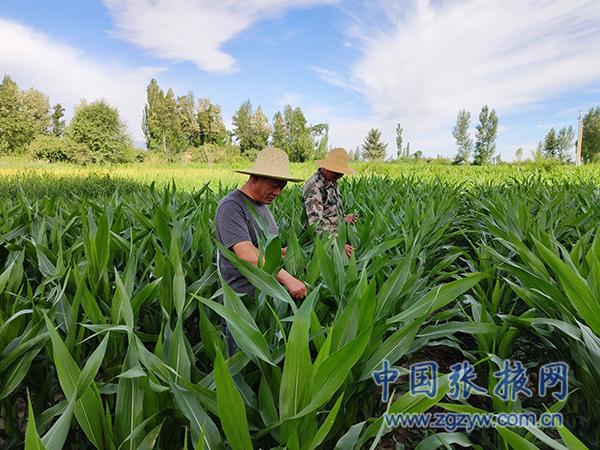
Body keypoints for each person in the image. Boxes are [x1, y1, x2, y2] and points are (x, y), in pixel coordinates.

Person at [215, 147, 307, 302]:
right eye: (274, 185)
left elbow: (261, 247)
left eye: (282, 187)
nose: (278, 192)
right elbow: (246, 254)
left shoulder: (261, 206)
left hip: (265, 298)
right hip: (241, 303)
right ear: (255, 178)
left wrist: (282, 252)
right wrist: (287, 278)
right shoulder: (232, 206)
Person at [302, 147, 357, 257]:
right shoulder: (314, 188)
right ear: (327, 168)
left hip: (337, 235)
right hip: (325, 243)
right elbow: (315, 225)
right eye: (337, 173)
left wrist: (343, 218)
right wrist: (337, 244)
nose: (340, 176)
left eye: (341, 173)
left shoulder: (331, 180)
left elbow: (329, 211)